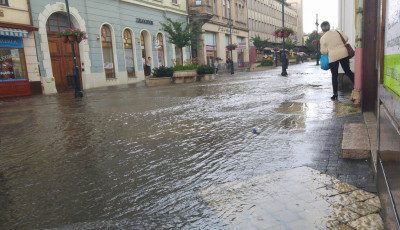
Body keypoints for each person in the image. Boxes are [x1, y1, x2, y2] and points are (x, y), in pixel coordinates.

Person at [320, 21, 354, 101]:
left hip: (333, 57)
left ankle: (335, 94)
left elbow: (323, 51)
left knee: (334, 75)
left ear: (322, 29)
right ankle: (358, 86)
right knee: (348, 71)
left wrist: (329, 48)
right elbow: (346, 38)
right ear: (329, 26)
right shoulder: (337, 32)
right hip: (343, 53)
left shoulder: (323, 38)